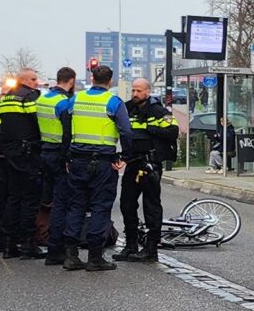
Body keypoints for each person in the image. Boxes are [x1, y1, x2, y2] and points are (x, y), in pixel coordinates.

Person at [48, 62, 129, 271]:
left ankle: (71, 256)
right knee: (100, 207)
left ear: (92, 79)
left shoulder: (76, 99)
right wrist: (125, 156)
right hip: (102, 163)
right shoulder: (114, 102)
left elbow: (59, 111)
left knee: (76, 206)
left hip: (77, 161)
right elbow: (126, 132)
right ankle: (95, 257)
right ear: (110, 81)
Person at [117, 76, 176, 261]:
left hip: (150, 164)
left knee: (151, 207)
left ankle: (151, 249)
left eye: (139, 90)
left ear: (148, 92)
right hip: (133, 163)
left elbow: (173, 132)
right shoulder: (127, 108)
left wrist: (151, 129)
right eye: (133, 90)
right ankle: (131, 245)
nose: (135, 93)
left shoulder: (158, 111)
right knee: (126, 205)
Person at [0, 73, 43, 259]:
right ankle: (28, 244)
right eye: (33, 79)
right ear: (24, 80)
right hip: (28, 153)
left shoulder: (6, 99)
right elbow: (38, 121)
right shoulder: (29, 97)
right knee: (30, 199)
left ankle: (8, 243)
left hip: (10, 153)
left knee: (13, 198)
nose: (36, 82)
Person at [34, 66, 76, 265]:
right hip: (59, 155)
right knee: (61, 204)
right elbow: (67, 133)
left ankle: (49, 243)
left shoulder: (42, 99)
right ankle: (56, 249)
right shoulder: (64, 102)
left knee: (47, 200)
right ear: (72, 81)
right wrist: (68, 157)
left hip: (44, 153)